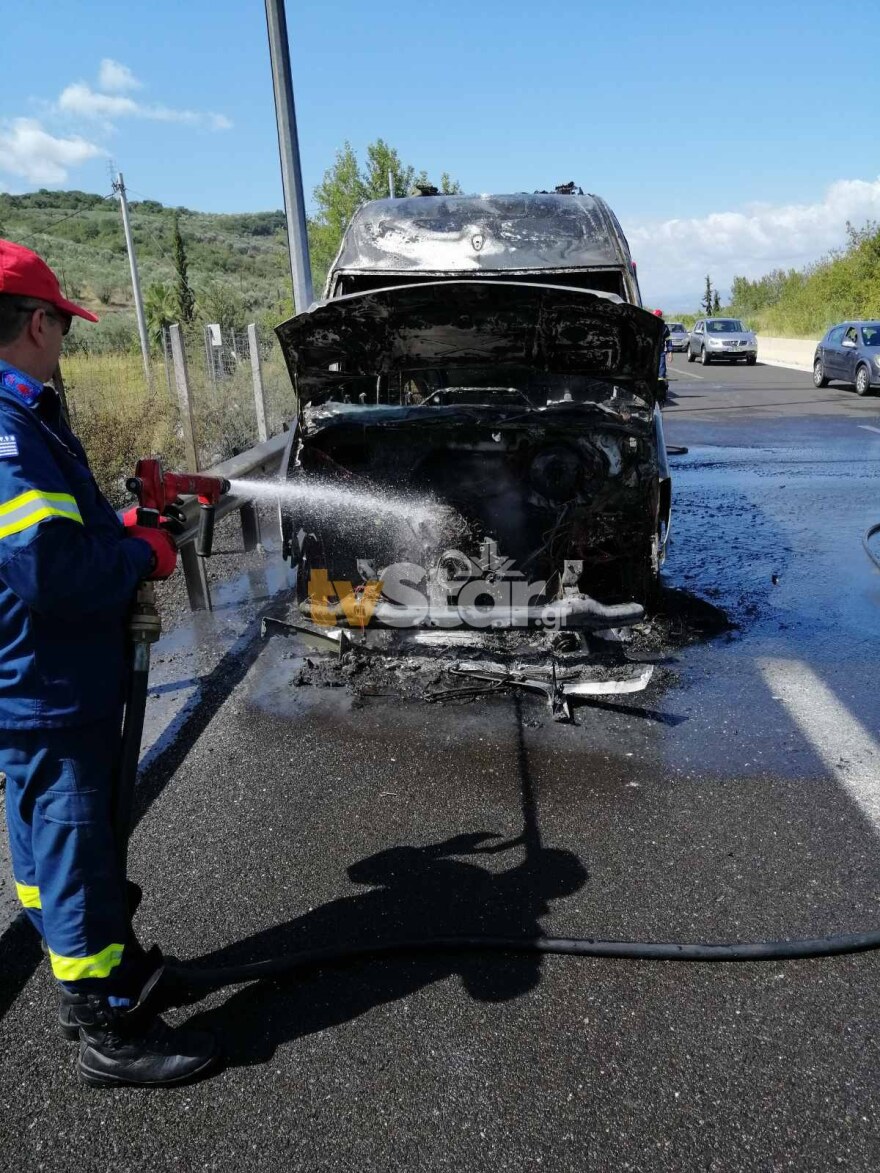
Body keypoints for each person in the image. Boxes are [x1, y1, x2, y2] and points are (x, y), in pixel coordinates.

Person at [0, 239, 218, 1087]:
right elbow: (47, 572)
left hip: (38, 680)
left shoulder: (27, 413)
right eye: (62, 324)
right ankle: (105, 1031)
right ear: (39, 320)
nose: (65, 342)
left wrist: (127, 532)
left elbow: (55, 538)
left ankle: (107, 967)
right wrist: (146, 559)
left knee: (51, 847)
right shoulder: (11, 429)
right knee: (75, 846)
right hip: (47, 685)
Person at [653, 308, 672, 378]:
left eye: (656, 317)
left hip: (660, 351)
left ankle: (661, 383)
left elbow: (669, 341)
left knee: (661, 369)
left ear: (660, 317)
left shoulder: (664, 328)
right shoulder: (650, 325)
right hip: (651, 352)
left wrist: (670, 353)